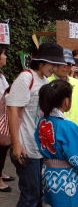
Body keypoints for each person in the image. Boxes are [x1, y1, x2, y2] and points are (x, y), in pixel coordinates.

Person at [6, 43, 64, 206]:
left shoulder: (45, 80)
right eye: (53, 64)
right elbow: (13, 111)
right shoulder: (26, 78)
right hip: (25, 148)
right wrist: (16, 145)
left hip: (39, 147)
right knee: (30, 195)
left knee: (38, 193)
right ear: (41, 61)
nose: (54, 68)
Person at [35, 79, 78, 207]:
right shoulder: (67, 126)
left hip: (48, 173)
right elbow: (75, 155)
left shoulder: (43, 121)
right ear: (66, 101)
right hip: (65, 177)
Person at [48, 48, 78, 132]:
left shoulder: (75, 82)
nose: (66, 67)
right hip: (55, 131)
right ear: (55, 64)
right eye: (62, 63)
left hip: (75, 130)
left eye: (69, 64)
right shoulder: (47, 82)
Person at [0, 45, 14, 193]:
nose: (6, 57)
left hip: (3, 115)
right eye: (4, 54)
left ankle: (1, 172)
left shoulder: (2, 75)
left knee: (3, 146)